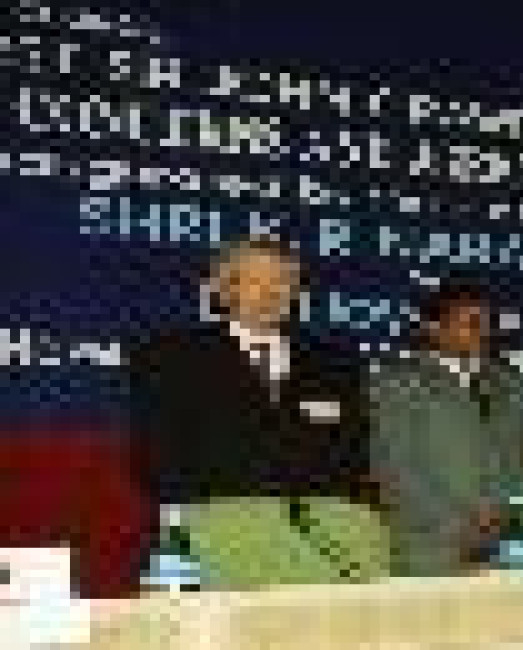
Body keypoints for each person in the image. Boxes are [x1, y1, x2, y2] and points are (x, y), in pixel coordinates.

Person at [127, 235, 389, 589]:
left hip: (330, 539)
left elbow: (355, 455)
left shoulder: (336, 363)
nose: (271, 292)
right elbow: (158, 457)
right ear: (223, 290)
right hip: (221, 532)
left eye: (283, 281)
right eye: (256, 280)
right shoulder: (171, 357)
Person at [368, 282, 523, 576]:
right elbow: (394, 467)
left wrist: (511, 519)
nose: (482, 331)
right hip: (433, 539)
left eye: (486, 323)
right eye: (470, 322)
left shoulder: (514, 385)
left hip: (513, 537)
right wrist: (461, 526)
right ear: (434, 328)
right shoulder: (396, 384)